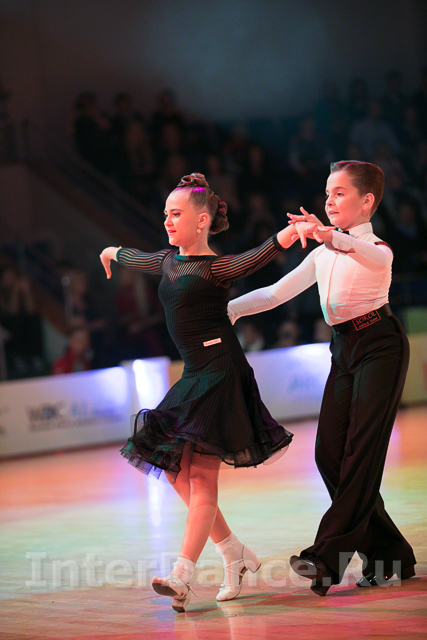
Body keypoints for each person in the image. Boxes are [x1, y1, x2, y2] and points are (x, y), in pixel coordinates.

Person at [100, 173, 306, 612]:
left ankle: (181, 575)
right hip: (195, 374)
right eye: (165, 214)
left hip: (222, 373)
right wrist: (112, 251)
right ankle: (234, 552)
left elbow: (256, 257)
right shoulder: (167, 261)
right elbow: (137, 257)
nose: (167, 221)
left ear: (202, 221)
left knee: (200, 478)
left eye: (176, 214)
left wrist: (289, 234)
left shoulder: (216, 268)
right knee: (174, 469)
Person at [228, 160, 416, 596]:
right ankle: (391, 554)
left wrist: (331, 236)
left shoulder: (376, 248)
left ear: (367, 202)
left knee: (360, 455)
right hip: (343, 349)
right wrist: (229, 311)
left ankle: (325, 558)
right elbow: (275, 294)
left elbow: (376, 257)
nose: (329, 201)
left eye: (339, 193)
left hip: (381, 346)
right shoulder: (322, 253)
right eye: (328, 193)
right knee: (329, 455)